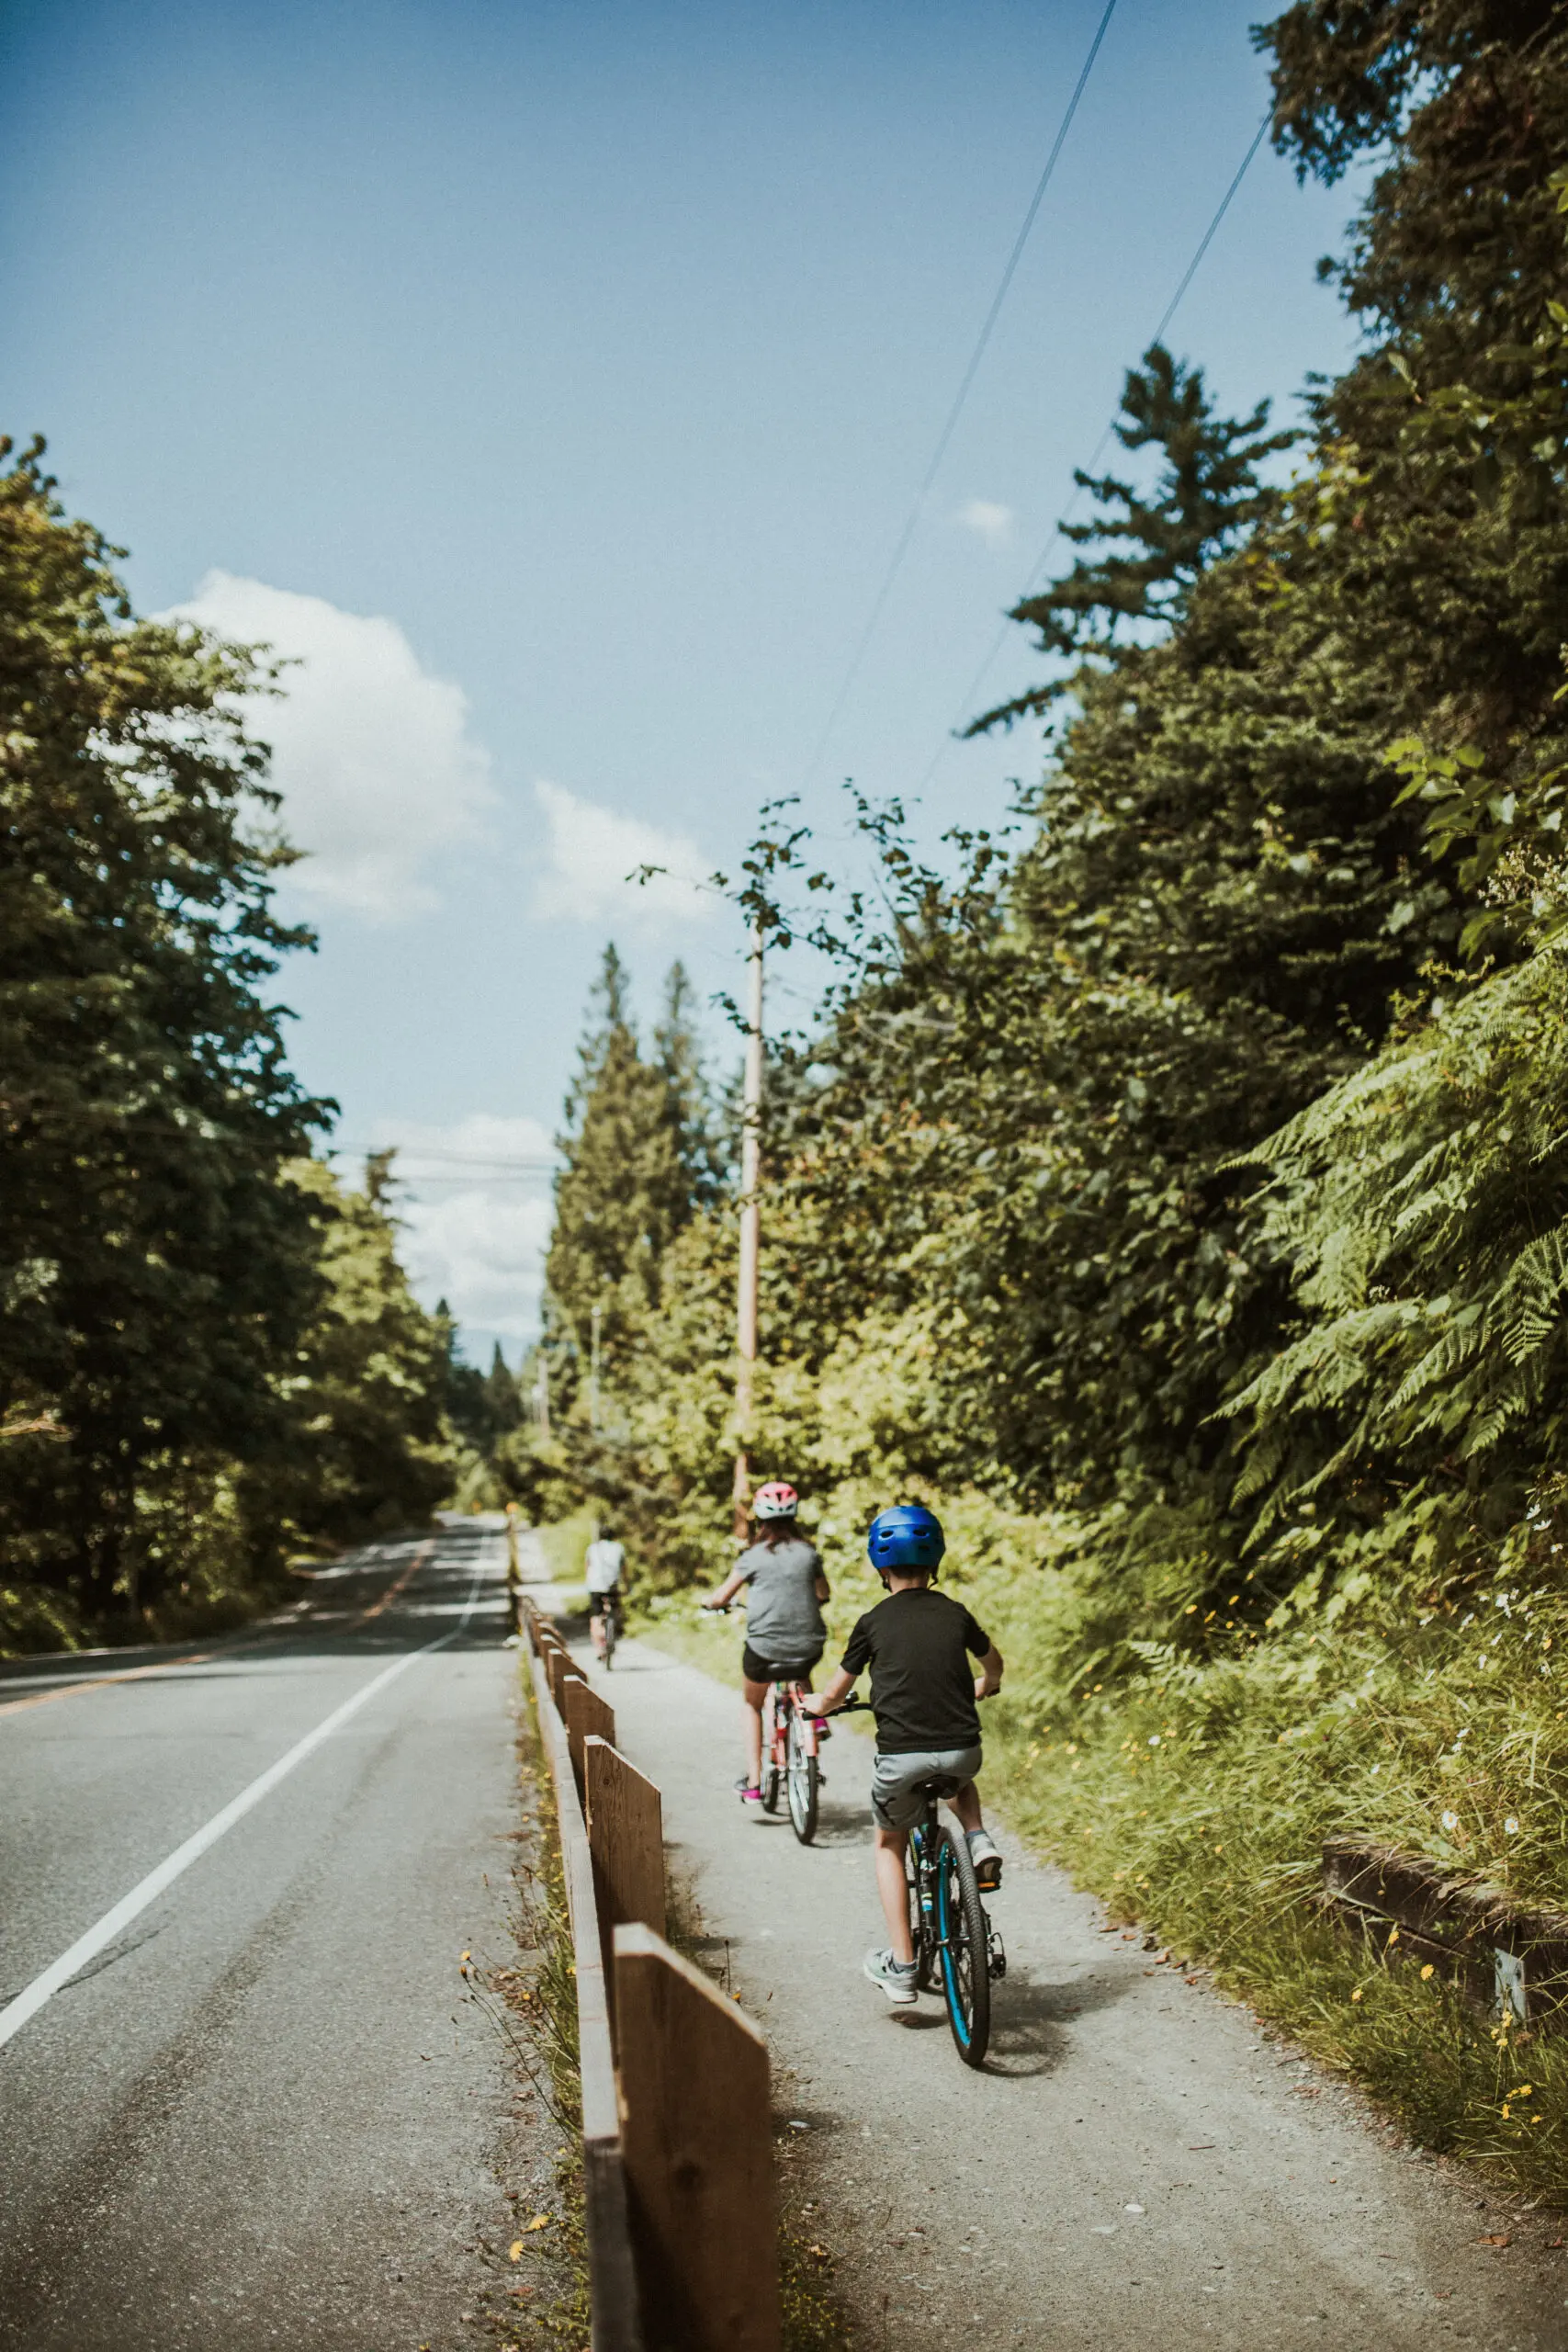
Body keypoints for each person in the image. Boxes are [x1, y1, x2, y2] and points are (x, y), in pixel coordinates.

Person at [810, 1503, 1004, 2005]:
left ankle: (901, 1966)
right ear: (935, 1558)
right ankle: (978, 1840)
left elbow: (836, 1690)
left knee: (888, 1845)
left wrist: (818, 1706)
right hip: (963, 1752)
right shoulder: (956, 1613)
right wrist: (988, 1683)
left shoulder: (872, 1622)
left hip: (900, 1761)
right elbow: (992, 1660)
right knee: (958, 1777)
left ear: (880, 1565)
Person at [699, 1481, 829, 1805]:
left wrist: (712, 1602)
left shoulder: (752, 1557)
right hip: (809, 1647)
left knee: (751, 1704)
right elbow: (824, 1594)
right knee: (799, 1661)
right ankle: (813, 1716)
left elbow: (722, 1596)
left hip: (764, 1650)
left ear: (759, 1517)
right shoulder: (809, 1554)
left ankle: (755, 1782)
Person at [584, 1525, 626, 1660]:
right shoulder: (618, 1548)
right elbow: (624, 1569)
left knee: (595, 1617)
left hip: (595, 1586)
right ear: (613, 1536)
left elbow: (587, 1567)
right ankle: (613, 1632)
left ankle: (599, 1648)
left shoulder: (592, 1548)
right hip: (612, 1586)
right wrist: (626, 1584)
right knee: (616, 1610)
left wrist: (589, 1582)